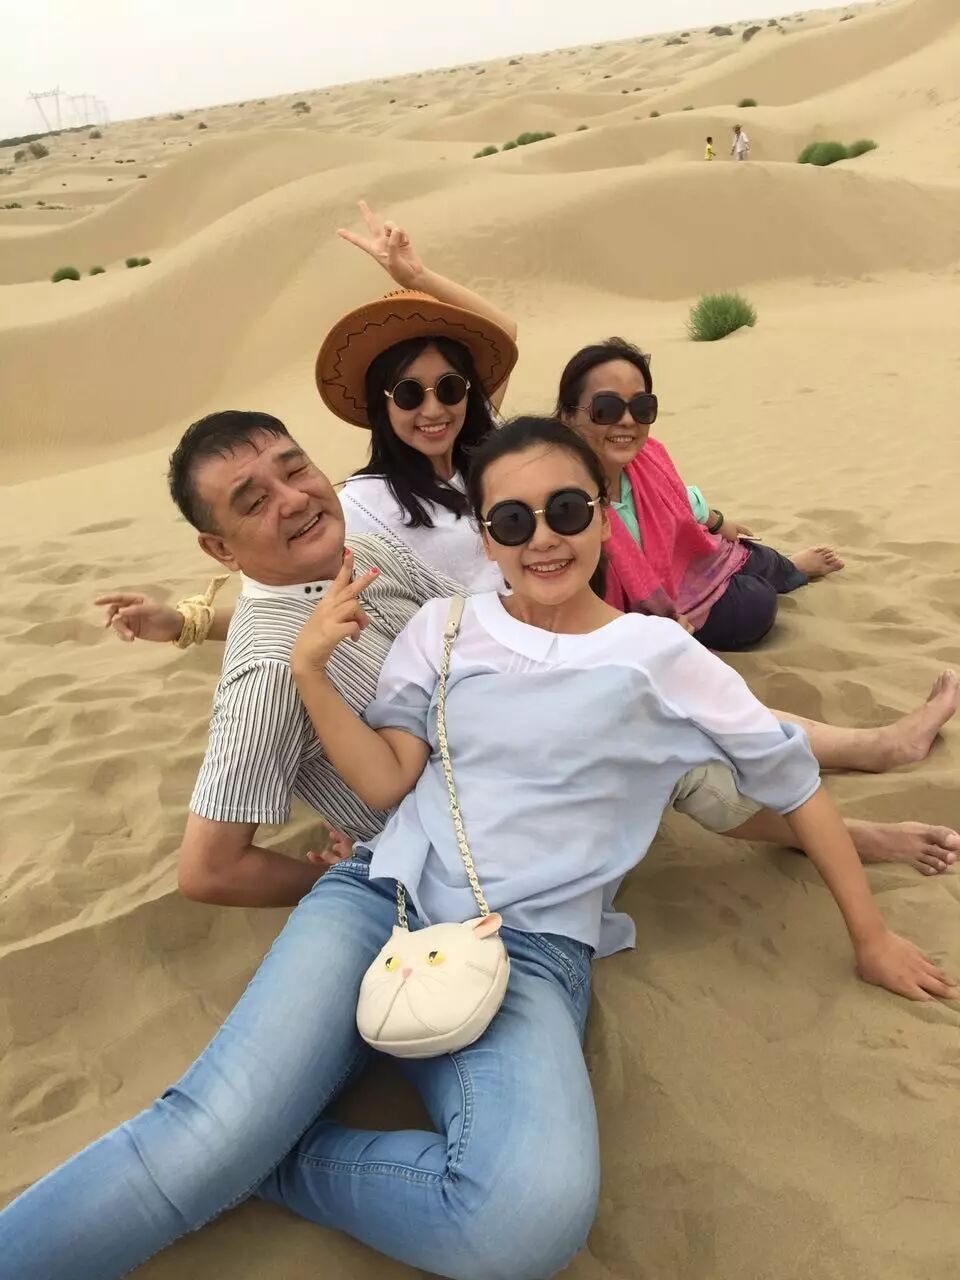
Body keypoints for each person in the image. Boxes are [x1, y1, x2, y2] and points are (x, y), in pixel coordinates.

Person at [3, 416, 953, 1279]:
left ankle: (273, 1158)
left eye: (567, 510)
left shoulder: (657, 655)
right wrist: (311, 676)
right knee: (203, 1134)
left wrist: (869, 937)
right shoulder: (441, 626)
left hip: (531, 949)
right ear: (485, 534)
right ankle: (229, 1151)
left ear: (601, 512)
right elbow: (380, 784)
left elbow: (791, 781)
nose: (542, 536)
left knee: (520, 1223)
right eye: (511, 521)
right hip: (380, 896)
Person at [98, 414, 960, 878]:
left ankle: (867, 752)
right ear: (218, 547)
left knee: (643, 667)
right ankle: (852, 830)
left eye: (293, 469)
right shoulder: (266, 673)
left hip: (490, 728)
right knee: (663, 731)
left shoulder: (355, 550)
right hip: (469, 824)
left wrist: (189, 621)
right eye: (253, 501)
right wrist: (344, 880)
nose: (291, 498)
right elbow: (207, 870)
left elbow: (430, 622)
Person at [557, 336, 845, 650]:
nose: (627, 421)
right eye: (606, 408)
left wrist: (718, 522)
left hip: (692, 560)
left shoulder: (648, 458)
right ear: (568, 416)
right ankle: (768, 581)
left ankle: (791, 570)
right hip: (665, 605)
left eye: (641, 407)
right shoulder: (563, 500)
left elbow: (681, 497)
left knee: (757, 556)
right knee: (756, 605)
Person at [322, 201, 517, 592]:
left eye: (449, 388)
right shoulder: (363, 506)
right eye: (409, 394)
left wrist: (419, 277)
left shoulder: (483, 452)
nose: (434, 410)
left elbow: (504, 332)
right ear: (382, 403)